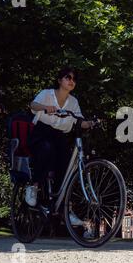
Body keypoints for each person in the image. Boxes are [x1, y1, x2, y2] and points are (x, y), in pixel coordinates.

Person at [25, 67, 93, 224]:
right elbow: (33, 105)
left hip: (59, 136)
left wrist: (89, 123)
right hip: (41, 133)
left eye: (74, 79)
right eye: (68, 77)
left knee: (68, 165)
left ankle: (64, 208)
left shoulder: (73, 102)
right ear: (59, 80)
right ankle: (33, 187)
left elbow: (79, 121)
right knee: (46, 150)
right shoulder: (47, 94)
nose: (71, 81)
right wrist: (45, 107)